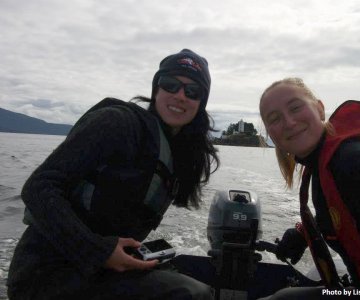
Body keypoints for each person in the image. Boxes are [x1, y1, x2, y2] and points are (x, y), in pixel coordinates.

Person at [7, 49, 219, 300]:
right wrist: (99, 251)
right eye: (170, 84)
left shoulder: (177, 155)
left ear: (200, 103)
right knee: (192, 295)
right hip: (45, 276)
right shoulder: (117, 122)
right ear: (156, 89)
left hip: (101, 271)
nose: (180, 96)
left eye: (192, 91)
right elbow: (38, 187)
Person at [258, 78, 360, 299]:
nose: (289, 122)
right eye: (274, 119)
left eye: (295, 108)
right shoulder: (326, 166)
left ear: (320, 109)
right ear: (271, 134)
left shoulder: (357, 163)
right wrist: (303, 233)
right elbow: (349, 212)